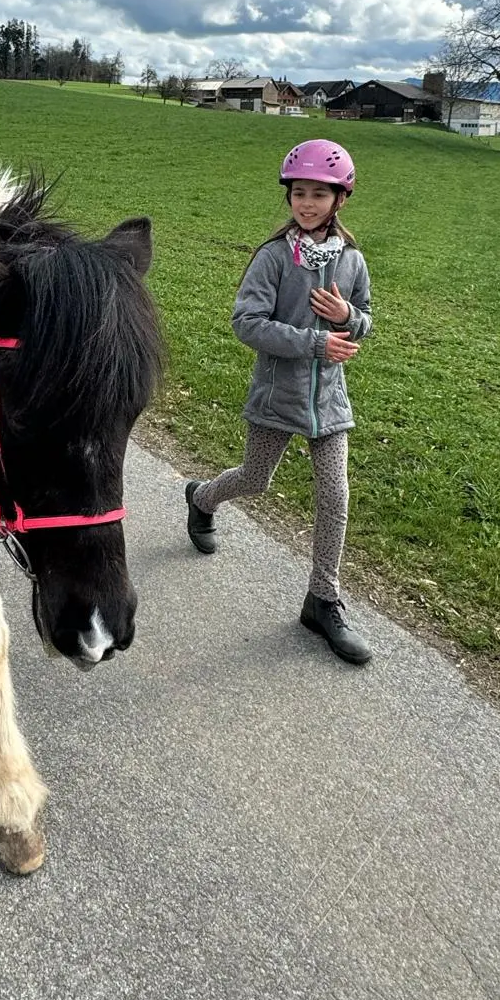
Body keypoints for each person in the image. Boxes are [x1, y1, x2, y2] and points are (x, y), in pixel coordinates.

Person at [183, 139, 374, 665]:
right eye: (299, 193)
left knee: (334, 494)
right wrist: (314, 341)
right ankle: (201, 499)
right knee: (255, 478)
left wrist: (344, 319)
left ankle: (322, 600)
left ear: (340, 199)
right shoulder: (273, 258)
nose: (307, 203)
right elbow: (246, 323)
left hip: (329, 403)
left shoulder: (352, 261)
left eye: (319, 194)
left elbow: (365, 319)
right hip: (278, 397)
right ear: (288, 196)